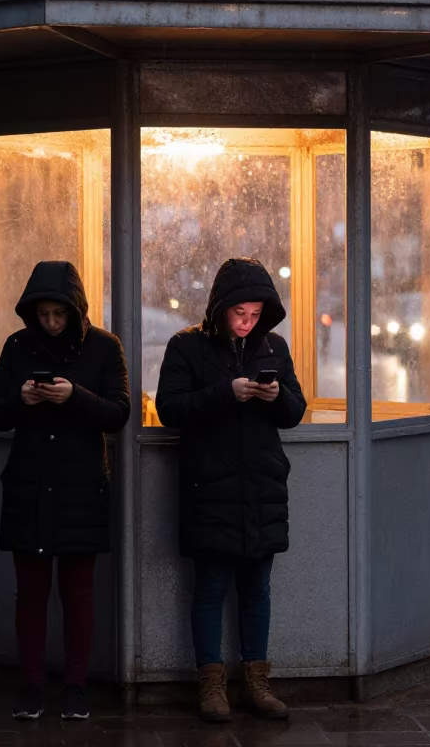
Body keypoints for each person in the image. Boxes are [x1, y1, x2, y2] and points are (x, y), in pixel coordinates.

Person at [155, 258, 307, 723]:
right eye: (240, 312)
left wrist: (274, 395)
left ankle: (257, 683)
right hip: (210, 487)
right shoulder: (187, 347)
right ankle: (212, 685)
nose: (247, 321)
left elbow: (295, 409)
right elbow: (169, 408)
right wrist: (227, 393)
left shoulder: (273, 347)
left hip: (261, 486)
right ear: (219, 309)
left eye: (256, 313)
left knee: (256, 589)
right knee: (211, 587)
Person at [0, 261, 130, 721]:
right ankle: (31, 687)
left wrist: (75, 397)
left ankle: (75, 688)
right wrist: (21, 400)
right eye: (42, 314)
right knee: (29, 593)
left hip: (79, 485)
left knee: (78, 593)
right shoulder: (17, 345)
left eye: (58, 314)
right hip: (29, 483)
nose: (49, 323)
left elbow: (119, 413)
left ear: (74, 309)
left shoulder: (105, 347)